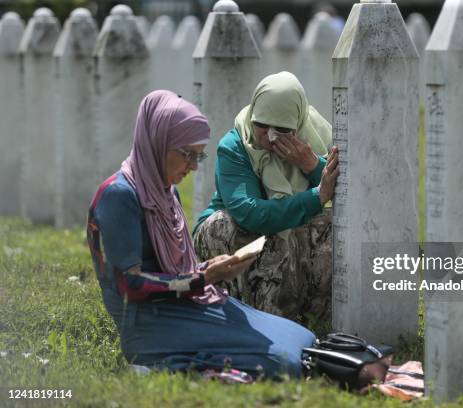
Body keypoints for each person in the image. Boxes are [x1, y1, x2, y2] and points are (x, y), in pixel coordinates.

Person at [86, 90, 315, 377]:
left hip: (189, 302)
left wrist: (210, 269)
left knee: (302, 338)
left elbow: (175, 269)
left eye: (198, 156)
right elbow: (128, 285)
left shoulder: (165, 193)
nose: (193, 167)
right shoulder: (120, 196)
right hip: (149, 325)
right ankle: (160, 365)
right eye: (187, 155)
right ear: (158, 143)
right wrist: (203, 278)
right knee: (285, 363)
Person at [192, 72, 339, 323]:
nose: (270, 137)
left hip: (290, 234)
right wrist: (314, 198)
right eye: (262, 125)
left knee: (333, 225)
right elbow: (249, 212)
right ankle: (243, 315)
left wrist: (312, 165)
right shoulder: (236, 144)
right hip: (243, 237)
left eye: (282, 129)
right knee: (220, 224)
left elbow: (343, 188)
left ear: (299, 122)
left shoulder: (315, 137)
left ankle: (313, 318)